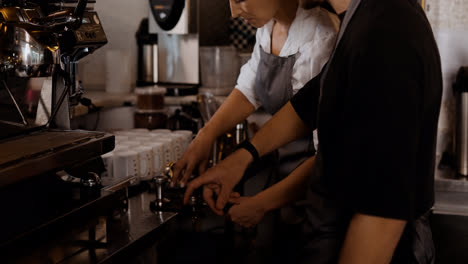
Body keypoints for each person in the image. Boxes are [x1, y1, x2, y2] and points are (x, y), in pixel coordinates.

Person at [184, 0, 443, 263]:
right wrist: (244, 155)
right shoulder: (362, 17)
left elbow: (381, 216)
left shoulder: (388, 30)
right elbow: (315, 98)